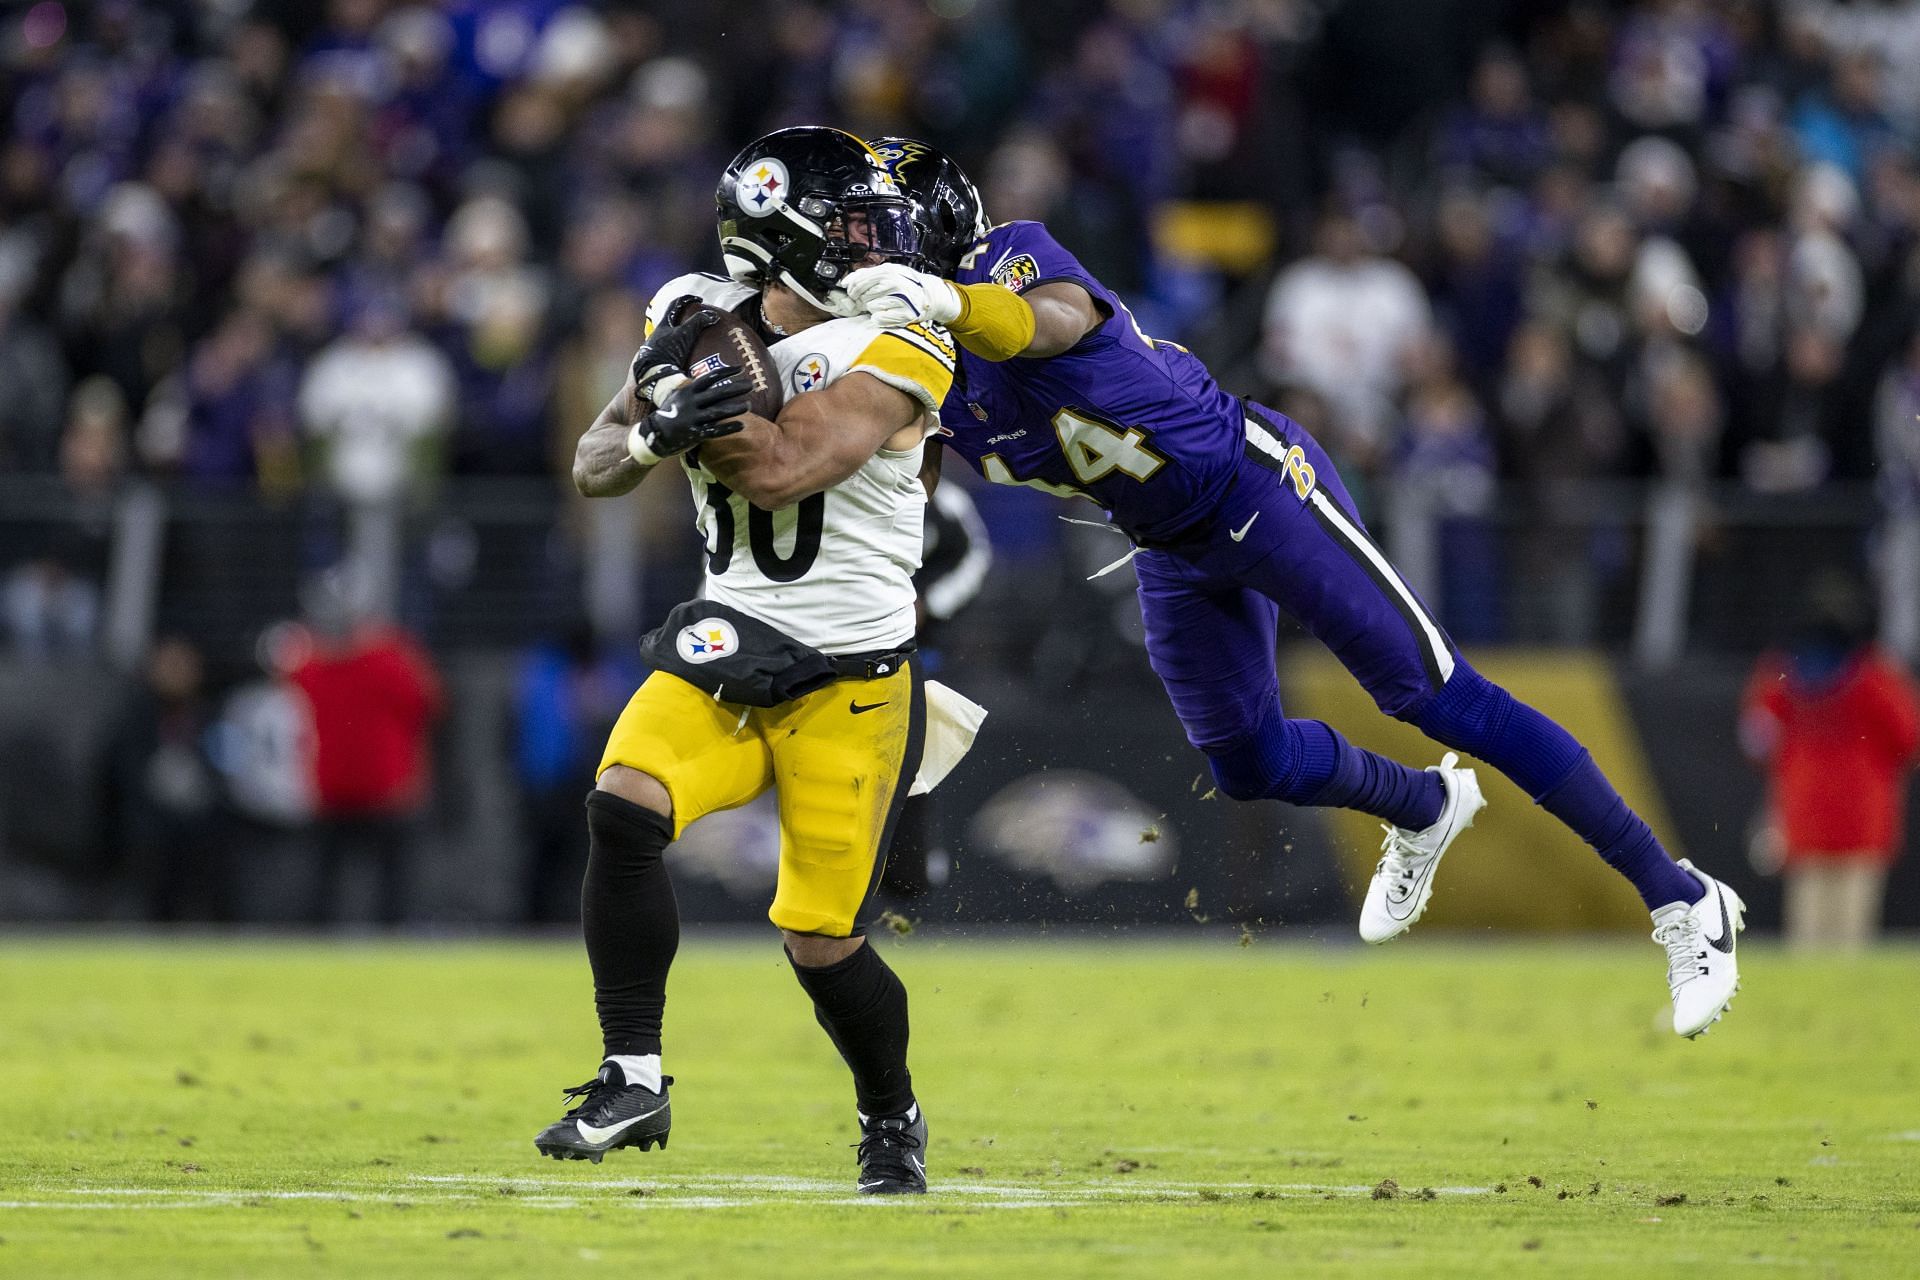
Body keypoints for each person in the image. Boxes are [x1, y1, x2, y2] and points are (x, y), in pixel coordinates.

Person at [844, 137, 1744, 1039]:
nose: (861, 253)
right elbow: (898, 480)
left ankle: (1681, 900)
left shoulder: (1008, 261)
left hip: (1256, 487)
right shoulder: (926, 363)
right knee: (1247, 762)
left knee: (1437, 695)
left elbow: (1056, 321)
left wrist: (946, 300)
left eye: (873, 233)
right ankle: (1423, 806)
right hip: (1167, 544)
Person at [538, 127, 975, 1194]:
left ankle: (892, 1113)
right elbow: (594, 464)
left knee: (820, 941)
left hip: (853, 675)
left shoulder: (904, 341)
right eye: (852, 225)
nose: (881, 242)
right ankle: (631, 1073)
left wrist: (694, 405)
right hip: (732, 642)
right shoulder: (691, 311)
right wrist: (650, 430)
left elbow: (782, 469)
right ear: (781, 236)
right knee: (625, 801)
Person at [1741, 575, 1919, 950]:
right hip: (1863, 814)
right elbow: (1910, 739)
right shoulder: (1876, 677)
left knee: (1808, 934)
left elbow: (1756, 740)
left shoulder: (1780, 676)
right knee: (1850, 934)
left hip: (1805, 810)